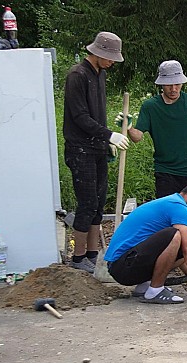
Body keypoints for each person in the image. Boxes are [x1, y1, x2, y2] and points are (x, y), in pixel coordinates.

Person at [121, 60, 187, 279]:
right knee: (167, 222)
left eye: (177, 84)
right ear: (160, 84)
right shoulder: (150, 107)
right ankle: (167, 267)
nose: (173, 89)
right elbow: (137, 137)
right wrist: (127, 127)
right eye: (168, 85)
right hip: (166, 171)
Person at [63, 31, 130, 273]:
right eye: (110, 57)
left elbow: (96, 114)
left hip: (97, 147)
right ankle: (78, 258)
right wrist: (109, 135)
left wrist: (107, 138)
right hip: (80, 148)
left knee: (99, 203)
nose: (112, 62)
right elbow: (80, 117)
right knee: (87, 202)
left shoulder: (99, 74)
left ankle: (92, 254)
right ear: (98, 53)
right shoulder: (77, 76)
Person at [104, 181, 187, 304]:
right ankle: (155, 291)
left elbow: (183, 248)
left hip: (125, 265)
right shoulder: (179, 206)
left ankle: (144, 286)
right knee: (175, 235)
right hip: (122, 267)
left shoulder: (172, 202)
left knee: (186, 239)